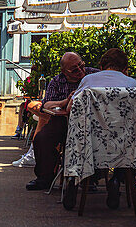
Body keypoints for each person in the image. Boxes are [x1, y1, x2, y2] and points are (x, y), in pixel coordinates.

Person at [61, 47, 136, 209]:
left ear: (102, 67)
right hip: (122, 145)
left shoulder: (89, 81)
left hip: (90, 145)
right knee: (129, 142)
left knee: (77, 138)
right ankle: (117, 179)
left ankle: (73, 180)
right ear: (125, 69)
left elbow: (72, 109)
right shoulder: (132, 84)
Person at [25, 52, 97, 191]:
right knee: (42, 138)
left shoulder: (93, 74)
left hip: (91, 123)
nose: (80, 71)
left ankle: (89, 180)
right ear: (64, 71)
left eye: (81, 65)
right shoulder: (57, 82)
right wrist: (66, 101)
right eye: (74, 69)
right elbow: (46, 105)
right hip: (63, 122)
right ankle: (44, 178)